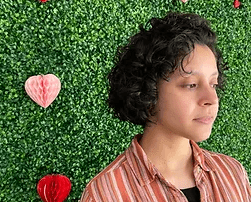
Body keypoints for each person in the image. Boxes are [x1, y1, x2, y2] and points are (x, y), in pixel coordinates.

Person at [80, 12, 251, 201]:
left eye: (213, 84)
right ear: (147, 90)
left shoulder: (233, 174)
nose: (211, 98)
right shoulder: (106, 194)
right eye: (191, 85)